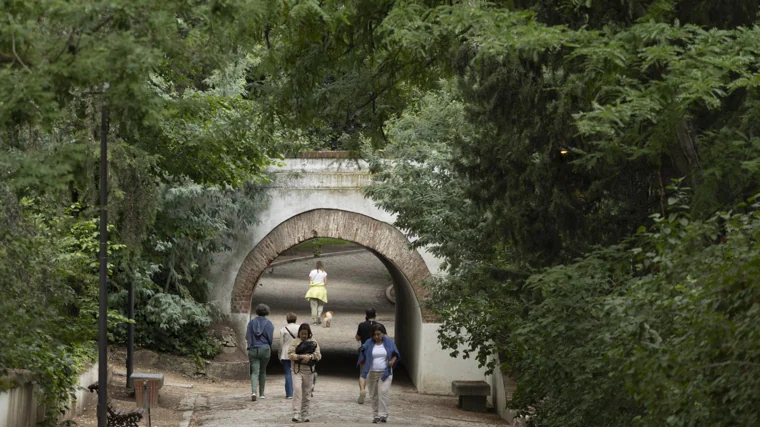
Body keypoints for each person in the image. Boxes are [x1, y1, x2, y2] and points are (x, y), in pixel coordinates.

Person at [358, 324, 399, 424]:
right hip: (371, 372)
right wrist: (362, 351)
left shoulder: (389, 342)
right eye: (374, 335)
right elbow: (362, 351)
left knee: (383, 392)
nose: (376, 336)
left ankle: (383, 414)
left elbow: (396, 354)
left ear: (383, 333)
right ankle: (376, 415)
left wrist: (392, 361)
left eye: (378, 334)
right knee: (373, 395)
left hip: (385, 372)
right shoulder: (369, 343)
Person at [288, 323, 322, 423]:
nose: (304, 336)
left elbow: (318, 355)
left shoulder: (313, 342)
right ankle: (296, 413)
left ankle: (304, 413)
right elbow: (290, 354)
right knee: (297, 390)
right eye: (302, 333)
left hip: (309, 371)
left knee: (307, 392)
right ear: (299, 333)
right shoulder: (295, 342)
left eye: (305, 334)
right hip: (296, 370)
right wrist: (300, 357)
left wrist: (310, 357)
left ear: (309, 333)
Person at [355, 308, 387, 404]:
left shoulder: (362, 325)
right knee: (377, 373)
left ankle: (362, 389)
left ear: (366, 315)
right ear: (375, 314)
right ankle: (376, 394)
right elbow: (386, 338)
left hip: (365, 352)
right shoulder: (380, 326)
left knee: (363, 374)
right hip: (378, 353)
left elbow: (357, 337)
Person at [246, 303, 274, 402]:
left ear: (257, 312)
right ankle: (262, 393)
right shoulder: (269, 323)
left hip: (253, 348)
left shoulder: (251, 323)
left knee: (254, 372)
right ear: (266, 312)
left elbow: (247, 336)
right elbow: (270, 338)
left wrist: (250, 345)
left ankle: (254, 392)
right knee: (263, 371)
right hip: (265, 348)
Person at [280, 312, 299, 399]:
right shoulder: (299, 328)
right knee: (296, 373)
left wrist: (279, 354)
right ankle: (297, 392)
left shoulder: (283, 329)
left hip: (286, 353)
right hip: (297, 352)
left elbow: (281, 344)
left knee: (288, 373)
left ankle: (289, 393)